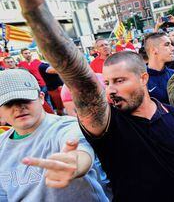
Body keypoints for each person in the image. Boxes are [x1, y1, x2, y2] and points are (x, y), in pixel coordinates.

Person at [0, 0, 174, 202]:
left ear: (143, 78)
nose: (110, 90)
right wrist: (35, 10)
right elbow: (79, 78)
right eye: (107, 82)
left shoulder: (173, 115)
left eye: (119, 81)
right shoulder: (108, 123)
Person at [0, 69, 108, 201]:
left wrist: (75, 163)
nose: (18, 108)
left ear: (41, 98)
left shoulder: (66, 126)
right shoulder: (1, 145)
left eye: (25, 99)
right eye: (8, 103)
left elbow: (80, 147)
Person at [144, 32, 174, 104]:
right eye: (167, 45)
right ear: (153, 50)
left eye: (171, 44)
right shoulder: (142, 80)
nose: (173, 48)